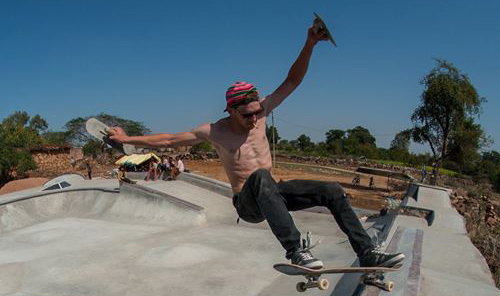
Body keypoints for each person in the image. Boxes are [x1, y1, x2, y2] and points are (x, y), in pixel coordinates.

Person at [107, 22, 403, 270]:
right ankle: (296, 251)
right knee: (259, 177)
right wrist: (126, 139)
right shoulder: (214, 131)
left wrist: (310, 43)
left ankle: (367, 251)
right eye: (247, 115)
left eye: (257, 112)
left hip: (273, 193)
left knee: (332, 191)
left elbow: (292, 81)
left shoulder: (262, 112)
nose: (254, 119)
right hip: (247, 204)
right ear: (230, 111)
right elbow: (170, 140)